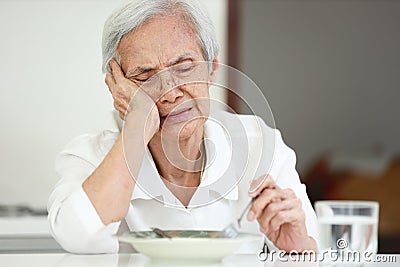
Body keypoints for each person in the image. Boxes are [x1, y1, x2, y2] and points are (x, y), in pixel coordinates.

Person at [47, 0, 318, 254]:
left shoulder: (258, 143)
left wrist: (298, 250)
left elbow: (312, 251)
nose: (169, 93)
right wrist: (138, 121)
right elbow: (76, 236)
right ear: (118, 88)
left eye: (184, 68)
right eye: (144, 76)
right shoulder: (90, 156)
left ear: (211, 70)